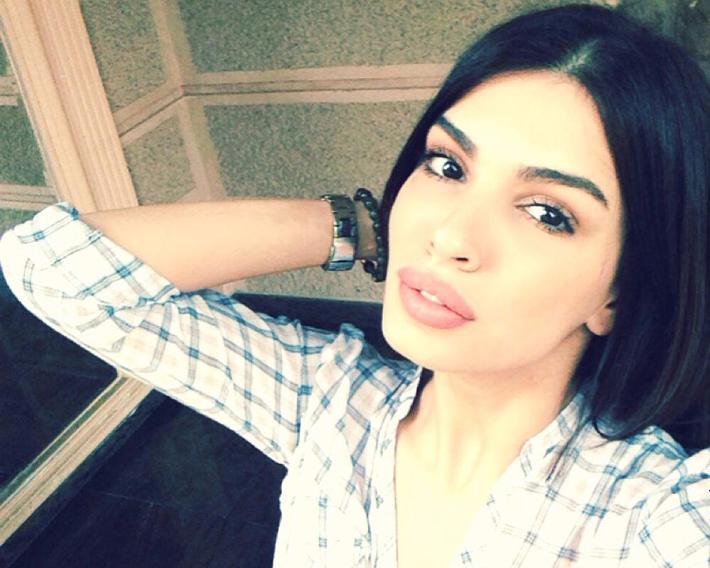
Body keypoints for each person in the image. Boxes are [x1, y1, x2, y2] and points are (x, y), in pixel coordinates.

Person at [1, 3, 708, 566]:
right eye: (448, 166)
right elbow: (57, 270)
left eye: (548, 213)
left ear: (618, 294)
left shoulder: (652, 515)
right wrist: (360, 227)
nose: (450, 236)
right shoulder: (330, 402)